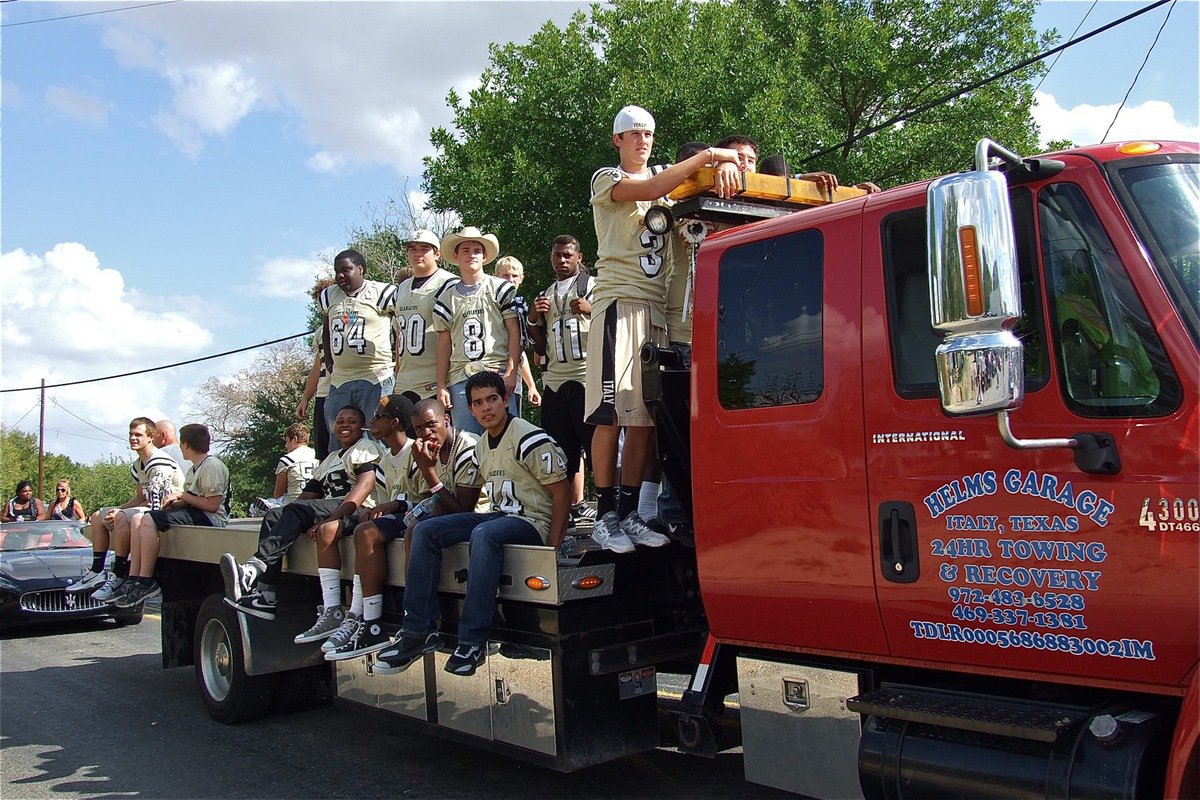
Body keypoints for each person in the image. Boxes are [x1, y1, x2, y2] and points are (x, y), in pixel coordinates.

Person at [584, 105, 745, 553]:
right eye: (633, 133)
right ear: (617, 140)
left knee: (643, 420)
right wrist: (711, 154)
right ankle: (604, 513)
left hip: (655, 311)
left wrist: (728, 170)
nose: (642, 140)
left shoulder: (667, 191)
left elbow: (690, 198)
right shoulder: (607, 178)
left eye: (648, 133)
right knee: (611, 414)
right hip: (620, 303)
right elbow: (653, 185)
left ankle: (632, 511)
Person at [373, 371, 568, 677]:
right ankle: (418, 630)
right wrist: (429, 471)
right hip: (500, 517)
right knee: (425, 530)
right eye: (478, 403)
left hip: (531, 521)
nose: (486, 408)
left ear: (505, 400)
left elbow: (562, 492)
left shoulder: (529, 437)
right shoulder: (481, 445)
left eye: (492, 399)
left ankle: (473, 640)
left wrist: (553, 547)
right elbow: (460, 506)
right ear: (471, 409)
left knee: (483, 532)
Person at [321, 396, 485, 660]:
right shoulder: (411, 452)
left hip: (478, 515)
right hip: (439, 513)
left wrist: (428, 473)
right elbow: (431, 502)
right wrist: (403, 505)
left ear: (447, 420)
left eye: (431, 425)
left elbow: (463, 509)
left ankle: (419, 626)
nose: (425, 432)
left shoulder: (465, 446)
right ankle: (364, 618)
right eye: (419, 428)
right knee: (372, 529)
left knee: (418, 531)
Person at [222, 405, 382, 622]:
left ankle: (253, 568)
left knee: (296, 510)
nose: (345, 424)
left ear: (362, 427)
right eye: (340, 420)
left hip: (357, 509)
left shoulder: (366, 448)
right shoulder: (331, 458)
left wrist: (329, 519)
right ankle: (266, 594)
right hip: (329, 508)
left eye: (352, 421)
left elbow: (362, 490)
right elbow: (307, 496)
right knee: (275, 515)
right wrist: (288, 516)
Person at [70, 417, 185, 601]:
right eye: (131, 434)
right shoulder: (138, 464)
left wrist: (120, 513)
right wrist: (115, 509)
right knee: (99, 515)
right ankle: (96, 570)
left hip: (169, 509)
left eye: (138, 434)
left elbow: (158, 504)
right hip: (151, 506)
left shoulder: (159, 462)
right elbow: (141, 498)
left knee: (123, 517)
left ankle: (120, 574)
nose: (133, 438)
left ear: (151, 437)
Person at [116, 424, 231, 607]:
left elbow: (212, 505)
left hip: (212, 519)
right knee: (149, 516)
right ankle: (134, 577)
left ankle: (146, 580)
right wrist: (171, 503)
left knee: (150, 519)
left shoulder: (211, 466)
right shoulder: (194, 468)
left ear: (185, 445)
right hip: (198, 512)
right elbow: (192, 500)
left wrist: (181, 495)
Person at [527, 234, 596, 528]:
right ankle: (562, 516)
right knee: (559, 453)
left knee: (596, 449)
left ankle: (609, 509)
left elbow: (614, 323)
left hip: (586, 377)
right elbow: (540, 348)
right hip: (555, 381)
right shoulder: (546, 293)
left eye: (568, 255)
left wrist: (592, 309)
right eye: (557, 255)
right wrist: (532, 320)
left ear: (579, 257)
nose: (562, 260)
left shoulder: (593, 286)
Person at [432, 227, 521, 435]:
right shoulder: (446, 297)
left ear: (484, 255)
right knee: (467, 442)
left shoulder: (500, 288)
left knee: (507, 440)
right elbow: (444, 345)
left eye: (476, 250)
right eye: (465, 250)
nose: (471, 255)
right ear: (456, 255)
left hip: (496, 370)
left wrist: (511, 371)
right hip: (461, 376)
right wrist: (441, 386)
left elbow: (514, 332)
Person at [318, 249, 398, 452]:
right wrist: (329, 360)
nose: (340, 276)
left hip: (376, 376)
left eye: (346, 270)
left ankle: (379, 481)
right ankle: (341, 482)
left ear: (360, 269)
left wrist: (399, 359)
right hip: (341, 379)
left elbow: (402, 325)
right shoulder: (329, 296)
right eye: (337, 271)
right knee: (338, 438)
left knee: (377, 436)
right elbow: (327, 328)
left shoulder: (382, 292)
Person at [393, 230, 460, 404]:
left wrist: (442, 384)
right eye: (413, 249)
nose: (417, 254)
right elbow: (400, 333)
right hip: (405, 378)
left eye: (424, 249)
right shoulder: (401, 288)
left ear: (437, 253)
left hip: (434, 377)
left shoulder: (449, 283)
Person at [493, 255, 541, 410]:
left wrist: (531, 386)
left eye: (514, 276)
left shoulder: (519, 305)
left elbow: (520, 349)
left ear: (521, 278)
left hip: (513, 378)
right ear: (496, 277)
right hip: (491, 369)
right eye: (505, 276)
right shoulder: (492, 304)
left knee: (511, 426)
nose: (510, 280)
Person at [298, 278, 336, 460]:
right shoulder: (320, 332)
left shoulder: (348, 319)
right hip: (323, 392)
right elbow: (317, 366)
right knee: (323, 448)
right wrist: (306, 397)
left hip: (343, 388)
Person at [249, 423, 320, 515]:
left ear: (294, 439)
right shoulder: (318, 456)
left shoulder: (287, 460)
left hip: (292, 505)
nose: (286, 446)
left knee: (255, 506)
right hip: (315, 504)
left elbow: (278, 494)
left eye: (287, 441)